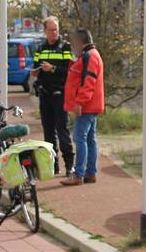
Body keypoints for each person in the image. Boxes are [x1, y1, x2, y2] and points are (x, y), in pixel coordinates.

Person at [30, 16, 74, 175]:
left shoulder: (66, 47)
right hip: (45, 94)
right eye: (51, 30)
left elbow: (71, 71)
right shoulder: (40, 48)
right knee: (48, 133)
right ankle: (52, 166)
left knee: (62, 131)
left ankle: (69, 166)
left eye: (56, 29)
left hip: (60, 94)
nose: (54, 33)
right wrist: (34, 72)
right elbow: (35, 67)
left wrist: (53, 69)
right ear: (45, 31)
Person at [61, 28, 104, 186]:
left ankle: (78, 174)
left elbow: (88, 82)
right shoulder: (90, 55)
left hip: (86, 106)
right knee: (90, 139)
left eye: (74, 43)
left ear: (80, 42)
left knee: (80, 138)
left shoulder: (89, 56)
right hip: (91, 105)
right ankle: (90, 172)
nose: (73, 46)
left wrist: (80, 102)